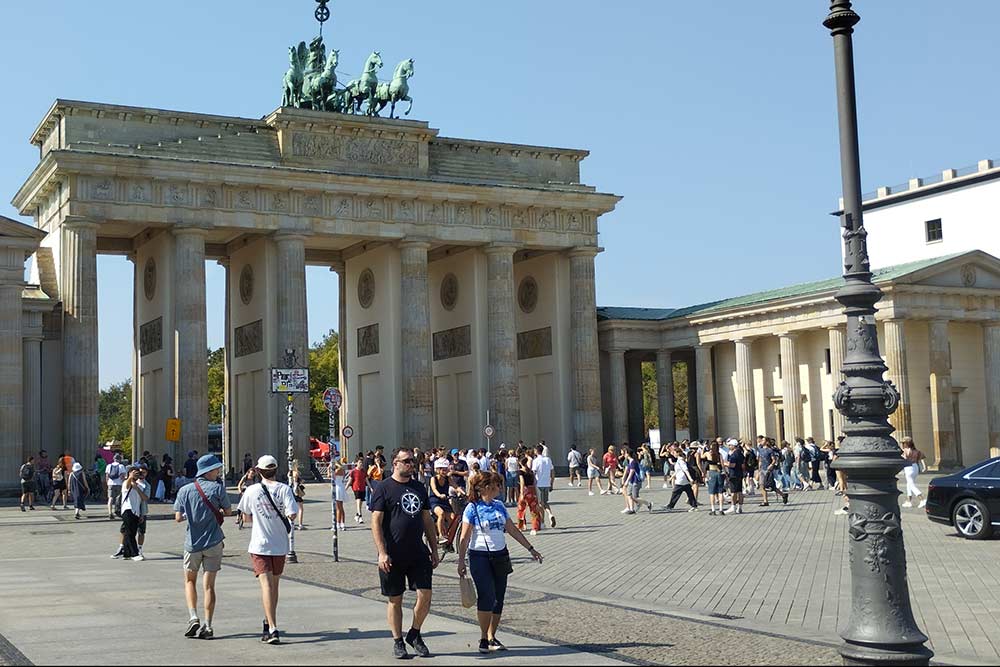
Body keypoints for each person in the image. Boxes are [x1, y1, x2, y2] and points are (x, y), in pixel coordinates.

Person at [457, 471, 543, 653]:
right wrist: (461, 561)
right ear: (487, 487)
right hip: (479, 556)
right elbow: (464, 537)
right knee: (487, 596)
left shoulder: (499, 506)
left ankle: (492, 636)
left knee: (499, 598)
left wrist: (531, 549)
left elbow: (512, 529)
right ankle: (482, 637)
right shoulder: (472, 508)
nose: (500, 488)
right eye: (497, 485)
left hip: (500, 555)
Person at [370, 448, 439, 660]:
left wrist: (434, 548)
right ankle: (398, 641)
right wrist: (382, 552)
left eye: (413, 460)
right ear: (395, 463)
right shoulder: (383, 488)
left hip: (418, 551)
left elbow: (427, 520)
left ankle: (415, 633)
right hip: (393, 554)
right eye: (406, 461)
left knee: (425, 594)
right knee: (395, 599)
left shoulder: (419, 487)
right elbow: (376, 522)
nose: (411, 464)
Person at [237, 455, 299, 645]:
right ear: (276, 469)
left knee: (266, 586)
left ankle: (272, 628)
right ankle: (268, 622)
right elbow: (292, 515)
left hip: (259, 543)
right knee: (274, 586)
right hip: (280, 545)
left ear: (259, 471)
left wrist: (261, 518)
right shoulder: (285, 489)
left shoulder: (252, 490)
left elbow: (246, 517)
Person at [173, 454, 232, 639]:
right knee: (209, 586)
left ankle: (193, 617)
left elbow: (177, 517)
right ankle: (207, 625)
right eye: (216, 469)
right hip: (213, 542)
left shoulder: (185, 490)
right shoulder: (217, 489)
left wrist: (188, 515)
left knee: (189, 581)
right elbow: (228, 511)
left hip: (192, 543)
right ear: (208, 471)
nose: (218, 472)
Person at [118, 465, 149, 561]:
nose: (136, 475)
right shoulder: (125, 483)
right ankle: (134, 554)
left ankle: (126, 554)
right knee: (130, 533)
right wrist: (130, 477)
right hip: (127, 510)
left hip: (136, 511)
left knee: (130, 532)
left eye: (137, 473)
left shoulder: (140, 485)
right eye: (134, 473)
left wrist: (137, 488)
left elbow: (145, 498)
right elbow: (127, 486)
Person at [429, 459, 454, 553]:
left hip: (445, 501)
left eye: (446, 469)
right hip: (435, 500)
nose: (445, 471)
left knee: (453, 518)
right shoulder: (433, 479)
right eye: (442, 469)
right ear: (437, 470)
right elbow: (434, 489)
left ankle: (449, 541)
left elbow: (455, 486)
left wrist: (463, 493)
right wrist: (439, 495)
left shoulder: (448, 478)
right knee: (441, 513)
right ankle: (440, 535)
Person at [663, 446, 698, 511]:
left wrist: (690, 479)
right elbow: (677, 471)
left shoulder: (681, 461)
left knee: (675, 493)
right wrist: (671, 477)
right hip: (684, 480)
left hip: (681, 480)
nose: (673, 454)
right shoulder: (679, 460)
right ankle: (694, 506)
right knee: (690, 493)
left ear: (678, 453)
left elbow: (685, 470)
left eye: (674, 452)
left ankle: (670, 506)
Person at [516, 457, 542, 536]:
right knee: (534, 510)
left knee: (521, 510)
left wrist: (521, 493)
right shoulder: (530, 472)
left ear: (520, 463)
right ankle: (535, 528)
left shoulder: (520, 472)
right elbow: (534, 482)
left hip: (525, 491)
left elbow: (522, 482)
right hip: (532, 491)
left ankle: (521, 526)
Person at [531, 445, 556, 528]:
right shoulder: (548, 459)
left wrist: (533, 484)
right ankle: (550, 514)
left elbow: (534, 473)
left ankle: (542, 522)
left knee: (540, 504)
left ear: (536, 451)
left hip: (539, 484)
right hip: (547, 483)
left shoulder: (536, 461)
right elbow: (552, 472)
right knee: (545, 502)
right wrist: (552, 483)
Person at [621, 449, 652, 514]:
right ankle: (631, 509)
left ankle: (648, 503)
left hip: (636, 481)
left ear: (628, 454)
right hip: (631, 481)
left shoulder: (633, 462)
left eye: (625, 453)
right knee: (629, 495)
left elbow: (631, 472)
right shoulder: (630, 461)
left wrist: (627, 481)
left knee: (635, 497)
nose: (624, 455)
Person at [900, 438, 927, 508]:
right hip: (915, 467)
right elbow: (922, 458)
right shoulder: (916, 451)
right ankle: (909, 501)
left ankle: (922, 499)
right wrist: (924, 466)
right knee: (909, 484)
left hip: (909, 468)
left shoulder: (905, 451)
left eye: (903, 443)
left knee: (911, 485)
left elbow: (904, 459)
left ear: (906, 443)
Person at [724, 439, 745, 515]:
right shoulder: (740, 453)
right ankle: (740, 507)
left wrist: (724, 463)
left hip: (733, 474)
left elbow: (732, 465)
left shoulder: (734, 455)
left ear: (733, 446)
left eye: (730, 445)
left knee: (733, 492)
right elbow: (743, 465)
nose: (729, 446)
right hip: (739, 473)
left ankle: (733, 506)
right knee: (740, 491)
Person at [705, 441, 725, 516]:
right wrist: (725, 473)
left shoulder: (708, 454)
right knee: (720, 492)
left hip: (712, 472)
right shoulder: (719, 455)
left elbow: (702, 456)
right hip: (719, 473)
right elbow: (722, 465)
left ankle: (713, 509)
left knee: (712, 492)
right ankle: (721, 509)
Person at [105, 453, 126, 519]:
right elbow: (122, 476)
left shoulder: (109, 466)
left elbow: (107, 476)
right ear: (120, 459)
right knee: (119, 498)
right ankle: (118, 511)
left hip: (111, 484)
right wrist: (124, 483)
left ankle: (110, 512)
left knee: (110, 498)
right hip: (119, 484)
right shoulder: (121, 466)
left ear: (114, 459)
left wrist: (107, 483)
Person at [350, 453, 368, 524]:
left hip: (362, 488)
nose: (361, 464)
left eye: (362, 462)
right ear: (356, 463)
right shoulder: (353, 471)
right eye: (360, 462)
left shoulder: (363, 471)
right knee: (358, 500)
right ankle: (360, 516)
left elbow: (366, 480)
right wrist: (345, 488)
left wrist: (370, 488)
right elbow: (350, 481)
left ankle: (357, 515)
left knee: (360, 503)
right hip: (356, 488)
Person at [331, 462, 347, 531]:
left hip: (337, 488)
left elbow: (330, 476)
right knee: (341, 507)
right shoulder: (342, 470)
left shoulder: (337, 471)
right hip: (341, 487)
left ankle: (338, 524)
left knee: (338, 508)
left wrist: (329, 468)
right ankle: (342, 523)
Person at [290, 460, 306, 530]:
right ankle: (300, 524)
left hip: (291, 490)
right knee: (300, 508)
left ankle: (292, 523)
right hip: (296, 491)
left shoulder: (290, 472)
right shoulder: (295, 473)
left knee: (293, 508)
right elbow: (295, 482)